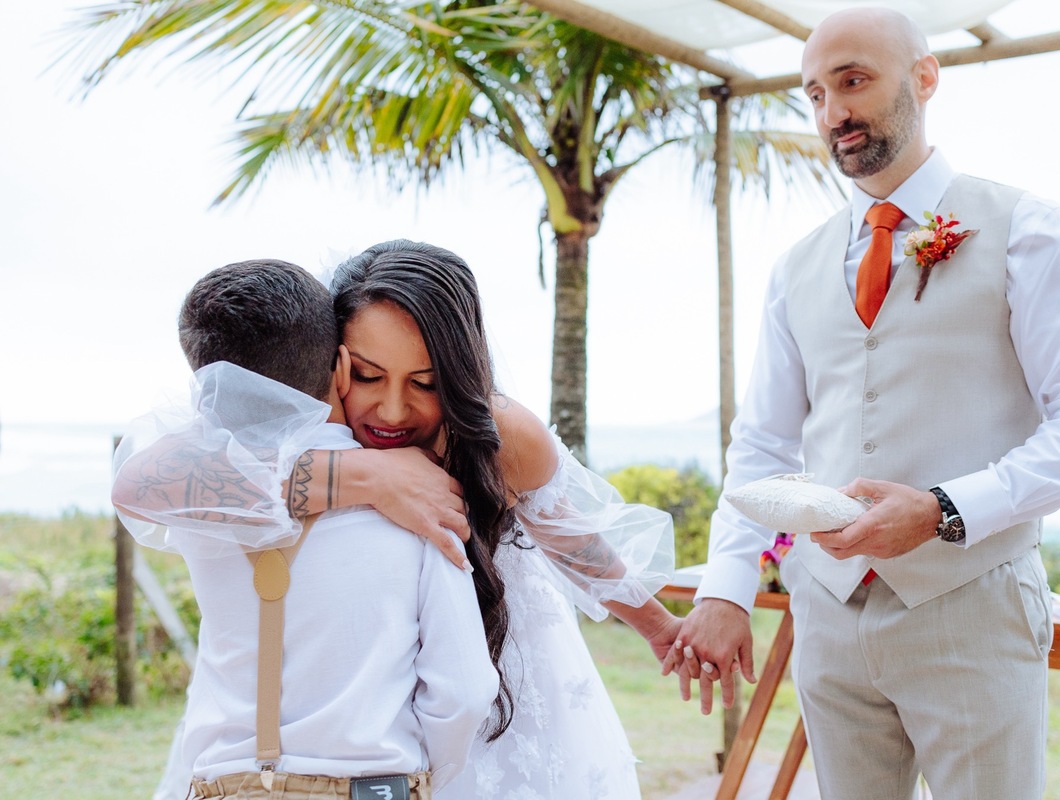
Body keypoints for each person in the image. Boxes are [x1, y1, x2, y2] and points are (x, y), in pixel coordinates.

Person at [666, 8, 1060, 800]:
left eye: (853, 82)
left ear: (924, 79)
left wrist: (946, 508)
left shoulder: (1028, 229)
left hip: (974, 606)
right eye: (815, 94)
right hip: (828, 607)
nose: (833, 113)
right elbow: (764, 448)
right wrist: (725, 587)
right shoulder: (796, 268)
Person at [116, 240, 682, 799]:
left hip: (491, 706)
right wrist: (369, 475)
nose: (391, 410)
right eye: (367, 375)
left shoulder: (500, 436)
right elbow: (138, 486)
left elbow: (568, 535)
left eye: (425, 383)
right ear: (332, 362)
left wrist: (660, 628)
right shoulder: (266, 441)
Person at [116, 259, 501, 799]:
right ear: (340, 367)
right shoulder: (419, 501)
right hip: (373, 786)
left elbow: (138, 481)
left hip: (222, 785)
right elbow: (464, 691)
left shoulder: (202, 506)